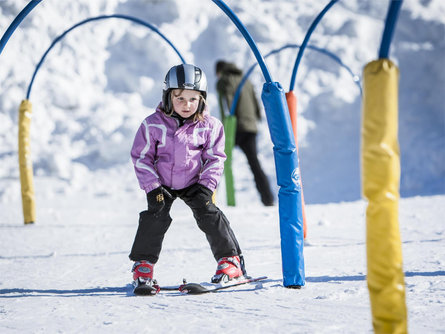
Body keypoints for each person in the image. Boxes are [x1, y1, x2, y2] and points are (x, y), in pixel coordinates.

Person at [129, 64, 246, 289]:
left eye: (193, 99)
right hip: (162, 183)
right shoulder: (153, 125)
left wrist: (206, 186)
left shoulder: (210, 126)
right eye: (180, 98)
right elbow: (141, 157)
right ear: (167, 97)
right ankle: (143, 265)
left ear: (202, 99)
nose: (187, 105)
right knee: (156, 215)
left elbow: (215, 158)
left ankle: (230, 260)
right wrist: (152, 187)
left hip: (195, 182)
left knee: (209, 213)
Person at [215, 60, 274, 206]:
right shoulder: (246, 80)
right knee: (255, 164)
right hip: (250, 127)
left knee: (217, 163)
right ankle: (268, 199)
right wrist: (254, 119)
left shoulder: (223, 81)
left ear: (219, 71)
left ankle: (208, 199)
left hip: (233, 127)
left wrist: (226, 123)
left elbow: (226, 104)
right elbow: (255, 103)